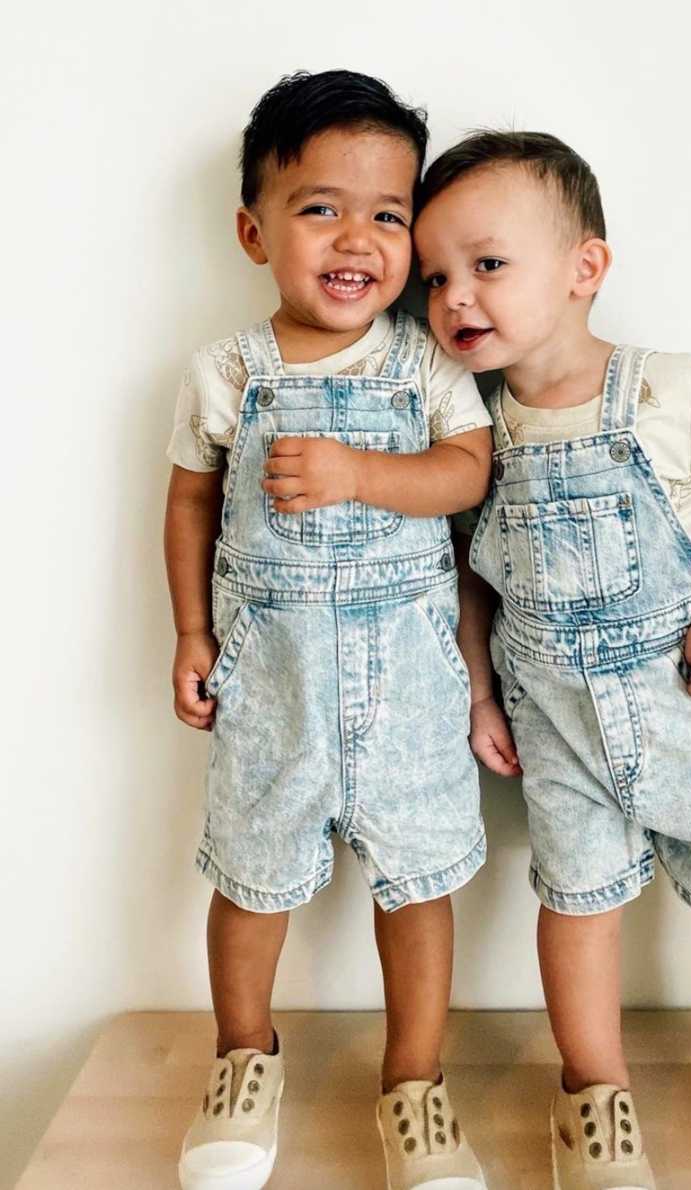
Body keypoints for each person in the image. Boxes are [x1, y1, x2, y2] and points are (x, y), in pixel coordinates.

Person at [413, 129, 691, 1190]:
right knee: (578, 900)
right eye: (435, 278)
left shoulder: (664, 390)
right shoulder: (474, 436)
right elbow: (469, 573)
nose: (456, 295)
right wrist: (478, 691)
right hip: (556, 719)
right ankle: (593, 1092)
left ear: (585, 267)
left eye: (487, 264)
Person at [164, 70, 492, 1190]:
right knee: (253, 876)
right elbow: (190, 502)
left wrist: (359, 471)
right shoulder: (225, 371)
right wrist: (191, 632)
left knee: (422, 877)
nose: (357, 236)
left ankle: (415, 1080)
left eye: (387, 214)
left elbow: (466, 475)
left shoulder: (429, 362)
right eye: (320, 208)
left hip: (408, 677)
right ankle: (242, 1056)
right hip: (274, 675)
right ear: (256, 230)